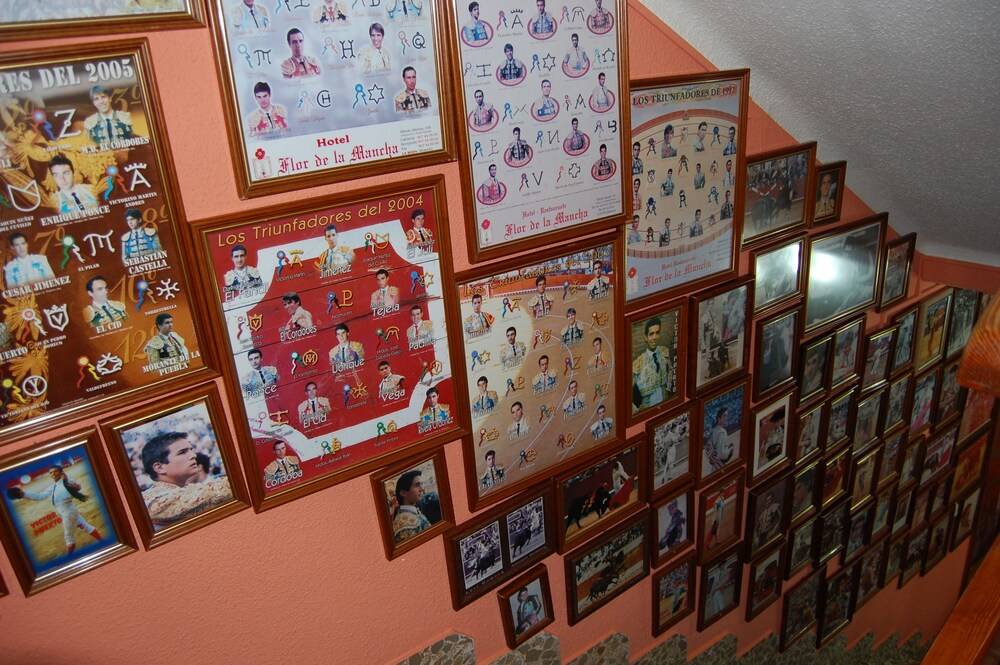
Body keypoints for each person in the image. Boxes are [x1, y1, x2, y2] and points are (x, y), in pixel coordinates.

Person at [139, 432, 233, 530]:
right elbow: (210, 493)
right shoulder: (151, 500)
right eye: (182, 452)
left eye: (191, 450)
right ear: (159, 468)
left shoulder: (178, 490)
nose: (194, 455)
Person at [6, 465, 102, 556]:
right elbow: (40, 496)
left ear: (61, 472)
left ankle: (69, 557)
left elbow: (78, 487)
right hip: (70, 512)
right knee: (85, 526)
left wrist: (68, 482)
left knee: (68, 537)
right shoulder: (53, 486)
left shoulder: (68, 482)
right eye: (51, 473)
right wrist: (23, 494)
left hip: (68, 514)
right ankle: (101, 541)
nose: (52, 474)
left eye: (55, 472)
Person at [632, 316, 672, 410]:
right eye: (651, 334)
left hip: (664, 405)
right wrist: (636, 410)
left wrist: (669, 392)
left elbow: (671, 372)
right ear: (646, 337)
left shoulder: (664, 352)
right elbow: (627, 392)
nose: (654, 337)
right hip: (647, 408)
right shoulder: (638, 362)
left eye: (657, 333)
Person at [392, 469, 431, 544]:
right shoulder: (405, 524)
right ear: (403, 493)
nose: (422, 489)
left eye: (421, 484)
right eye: (417, 485)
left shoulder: (411, 512)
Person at [705, 407, 733, 472]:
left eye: (727, 415)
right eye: (724, 416)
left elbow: (707, 449)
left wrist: (712, 458)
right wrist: (730, 450)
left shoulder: (713, 430)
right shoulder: (722, 432)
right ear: (719, 418)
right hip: (720, 467)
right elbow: (722, 454)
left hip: (715, 467)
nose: (726, 418)